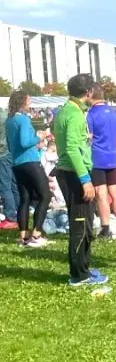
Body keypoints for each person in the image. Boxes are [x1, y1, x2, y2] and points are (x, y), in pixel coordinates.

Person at [53, 74, 108, 287]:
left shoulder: (67, 110)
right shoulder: (74, 114)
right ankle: (79, 275)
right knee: (80, 225)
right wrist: (85, 180)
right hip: (75, 175)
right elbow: (71, 149)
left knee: (85, 223)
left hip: (73, 171)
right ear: (88, 93)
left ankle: (84, 267)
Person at [5, 90, 51, 247]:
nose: (30, 103)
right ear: (22, 102)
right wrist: (40, 136)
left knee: (24, 199)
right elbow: (25, 142)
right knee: (45, 195)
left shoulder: (10, 120)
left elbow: (13, 145)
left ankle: (23, 236)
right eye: (28, 100)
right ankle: (36, 235)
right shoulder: (23, 120)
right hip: (30, 161)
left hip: (17, 163)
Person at [87, 84, 116, 239]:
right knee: (114, 191)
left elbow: (88, 137)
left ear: (90, 95)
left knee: (101, 193)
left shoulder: (91, 114)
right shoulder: (113, 113)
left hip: (98, 156)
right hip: (112, 156)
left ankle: (105, 227)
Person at [0, 104, 20, 229]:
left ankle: (10, 217)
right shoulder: (7, 115)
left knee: (4, 185)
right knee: (13, 184)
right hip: (12, 152)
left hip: (2, 154)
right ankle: (19, 212)